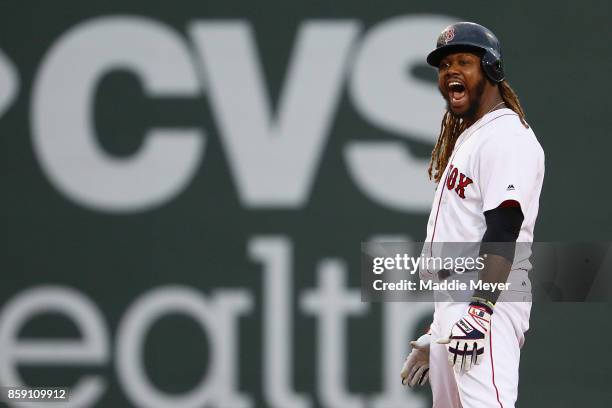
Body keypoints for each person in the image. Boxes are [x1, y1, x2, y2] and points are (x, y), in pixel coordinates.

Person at [400, 22, 545, 407]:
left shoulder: (507, 136)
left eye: (464, 61)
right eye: (444, 64)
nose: (451, 72)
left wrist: (479, 311)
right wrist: (440, 328)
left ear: (491, 69)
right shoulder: (473, 135)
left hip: (487, 302)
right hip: (458, 305)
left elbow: (504, 226)